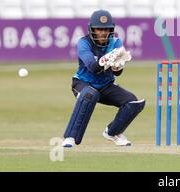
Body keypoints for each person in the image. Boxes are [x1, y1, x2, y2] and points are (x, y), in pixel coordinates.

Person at [62, 9, 145, 148]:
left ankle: (113, 132)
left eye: (106, 29)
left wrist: (117, 67)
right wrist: (107, 59)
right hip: (83, 83)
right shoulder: (84, 43)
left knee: (133, 102)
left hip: (105, 85)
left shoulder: (116, 43)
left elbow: (117, 73)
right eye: (99, 29)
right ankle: (70, 137)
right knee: (89, 94)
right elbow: (92, 66)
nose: (103, 33)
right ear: (92, 29)